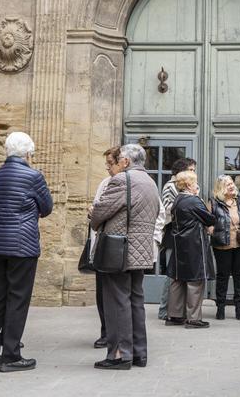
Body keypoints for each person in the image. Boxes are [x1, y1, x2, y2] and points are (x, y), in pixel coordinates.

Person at [0, 132, 53, 372]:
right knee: (18, 298)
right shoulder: (34, 176)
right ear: (28, 153)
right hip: (22, 244)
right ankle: (11, 355)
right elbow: (47, 207)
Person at [90, 144, 160, 370]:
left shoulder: (122, 180)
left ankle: (120, 354)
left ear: (126, 162)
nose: (118, 162)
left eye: (119, 159)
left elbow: (101, 211)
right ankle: (139, 353)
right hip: (141, 251)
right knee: (135, 301)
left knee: (117, 301)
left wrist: (93, 214)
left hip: (119, 251)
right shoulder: (150, 182)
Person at [165, 171, 215, 329]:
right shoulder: (193, 201)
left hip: (179, 244)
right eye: (194, 182)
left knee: (177, 279)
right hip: (194, 244)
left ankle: (175, 316)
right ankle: (193, 319)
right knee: (195, 281)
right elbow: (210, 218)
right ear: (188, 185)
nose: (196, 185)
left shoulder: (178, 199)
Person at [89, 146, 124, 349]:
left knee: (120, 294)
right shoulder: (104, 183)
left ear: (122, 162)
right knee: (102, 292)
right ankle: (106, 331)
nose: (108, 169)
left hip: (121, 245)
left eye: (111, 164)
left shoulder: (131, 183)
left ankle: (121, 333)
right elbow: (98, 209)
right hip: (103, 244)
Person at [157, 157, 197, 320]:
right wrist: (186, 206)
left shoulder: (194, 186)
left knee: (184, 273)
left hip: (189, 235)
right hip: (174, 233)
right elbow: (167, 209)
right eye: (191, 170)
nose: (194, 172)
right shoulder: (170, 186)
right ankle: (164, 309)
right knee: (172, 274)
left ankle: (181, 309)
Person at [208, 174, 240, 321]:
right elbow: (208, 221)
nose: (232, 185)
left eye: (232, 182)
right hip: (222, 244)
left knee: (239, 276)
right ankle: (220, 307)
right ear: (220, 188)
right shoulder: (213, 203)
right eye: (228, 184)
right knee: (223, 276)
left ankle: (239, 307)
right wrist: (212, 230)